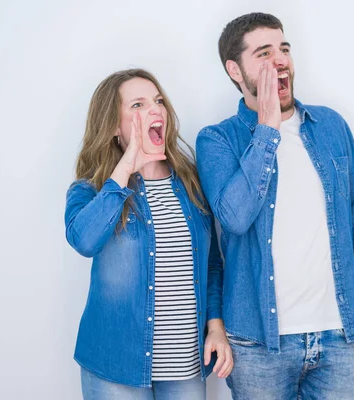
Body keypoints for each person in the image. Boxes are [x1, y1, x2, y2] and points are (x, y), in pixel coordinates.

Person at [195, 13, 354, 399]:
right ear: (235, 70)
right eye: (264, 53)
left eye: (284, 49)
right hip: (258, 347)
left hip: (335, 337)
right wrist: (268, 129)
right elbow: (235, 218)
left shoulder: (331, 126)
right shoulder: (217, 140)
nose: (280, 61)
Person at [65, 68, 232, 400]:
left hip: (185, 366)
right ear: (114, 125)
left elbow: (213, 262)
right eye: (137, 105)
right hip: (115, 366)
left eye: (158, 101)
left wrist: (215, 325)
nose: (155, 109)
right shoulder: (91, 189)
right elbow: (83, 240)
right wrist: (125, 170)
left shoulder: (191, 182)